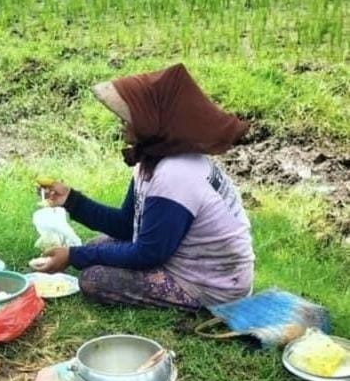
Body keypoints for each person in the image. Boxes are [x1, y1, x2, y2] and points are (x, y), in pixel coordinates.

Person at [34, 63, 255, 311]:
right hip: (185, 259)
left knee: (94, 279)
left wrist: (74, 256)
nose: (121, 122)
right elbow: (127, 225)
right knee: (95, 246)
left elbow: (148, 254)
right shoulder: (153, 158)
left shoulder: (175, 174)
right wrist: (71, 200)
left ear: (154, 121)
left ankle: (199, 304)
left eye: (129, 117)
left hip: (212, 285)